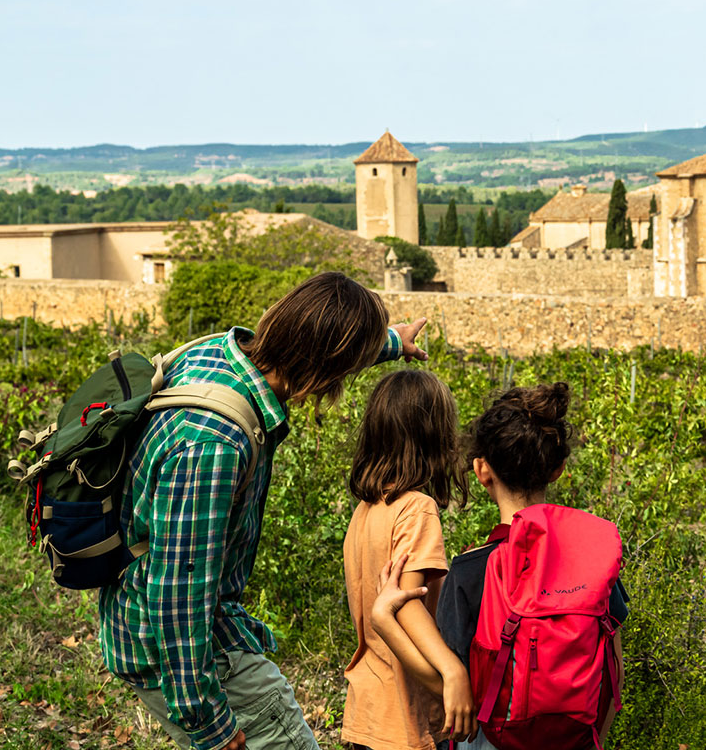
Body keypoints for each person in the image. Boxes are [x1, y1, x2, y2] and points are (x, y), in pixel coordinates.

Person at [101, 271, 431, 750]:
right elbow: (178, 591)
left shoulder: (219, 352)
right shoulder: (212, 444)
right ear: (327, 365)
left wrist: (390, 342)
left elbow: (317, 346)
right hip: (178, 648)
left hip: (152, 624)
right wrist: (206, 719)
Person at [372, 383, 629, 750]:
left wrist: (384, 621)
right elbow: (613, 666)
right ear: (557, 469)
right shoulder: (594, 558)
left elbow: (453, 687)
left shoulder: (472, 569)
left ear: (481, 470)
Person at [340, 370, 475, 750]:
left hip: (366, 708)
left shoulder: (365, 512)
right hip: (403, 717)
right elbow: (405, 605)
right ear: (436, 437)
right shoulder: (417, 508)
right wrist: (453, 671)